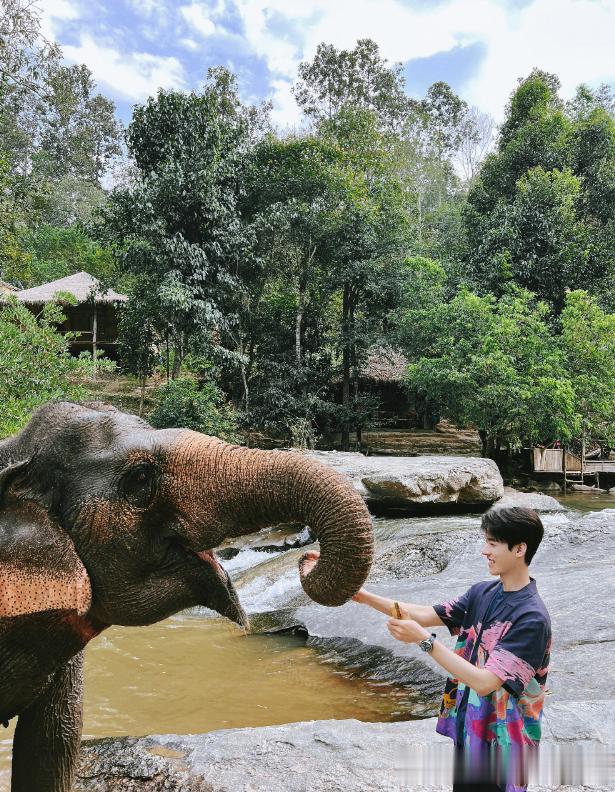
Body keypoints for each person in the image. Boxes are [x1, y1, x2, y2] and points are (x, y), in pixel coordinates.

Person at [302, 506, 551, 792]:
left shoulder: (531, 618)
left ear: (519, 549)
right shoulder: (483, 592)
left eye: (492, 544)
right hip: (470, 726)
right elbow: (423, 614)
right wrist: (362, 595)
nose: (484, 551)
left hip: (505, 741)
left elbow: (485, 683)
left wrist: (424, 641)